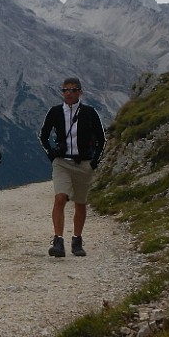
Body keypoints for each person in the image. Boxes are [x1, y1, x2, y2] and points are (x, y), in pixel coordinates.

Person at [39, 77, 106, 257]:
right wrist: (51, 154)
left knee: (80, 203)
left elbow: (101, 139)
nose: (68, 93)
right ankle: (58, 240)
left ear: (80, 92)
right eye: (65, 90)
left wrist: (94, 161)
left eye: (73, 90)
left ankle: (77, 240)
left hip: (83, 163)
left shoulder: (89, 113)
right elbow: (43, 136)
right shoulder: (55, 112)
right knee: (60, 198)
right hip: (62, 162)